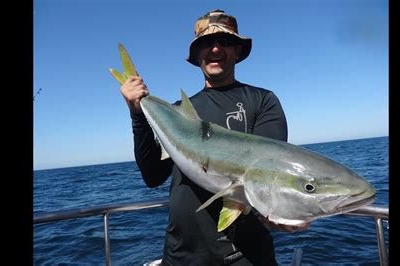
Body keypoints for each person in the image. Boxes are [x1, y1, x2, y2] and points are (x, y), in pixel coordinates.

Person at [120, 9, 310, 265]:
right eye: (206, 43)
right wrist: (137, 113)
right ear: (197, 55)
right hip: (179, 255)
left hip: (246, 257)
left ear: (237, 51)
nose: (216, 49)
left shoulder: (263, 101)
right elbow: (153, 176)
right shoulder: (179, 114)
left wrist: (281, 210)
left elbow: (270, 171)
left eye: (226, 42)